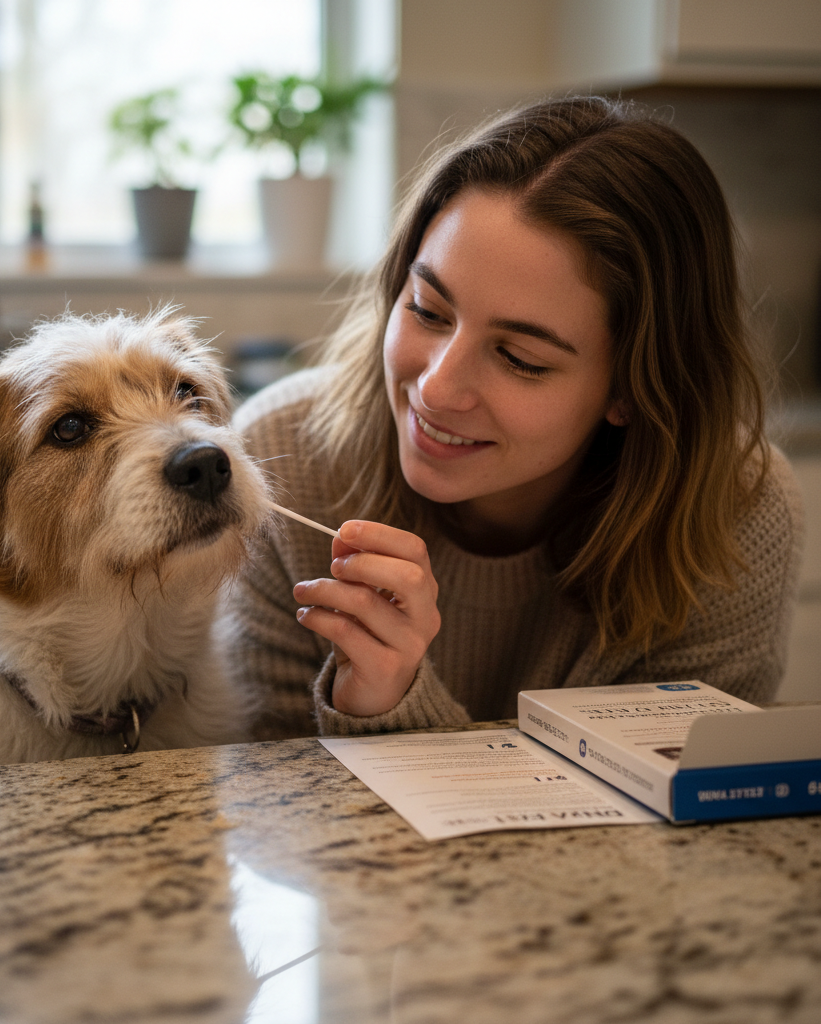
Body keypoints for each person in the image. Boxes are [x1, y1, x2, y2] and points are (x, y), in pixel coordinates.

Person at [221, 95, 804, 741]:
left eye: (520, 358)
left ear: (635, 388)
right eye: (427, 310)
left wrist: (398, 710)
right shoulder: (279, 456)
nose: (437, 390)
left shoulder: (736, 513)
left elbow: (666, 824)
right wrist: (365, 704)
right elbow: (266, 801)